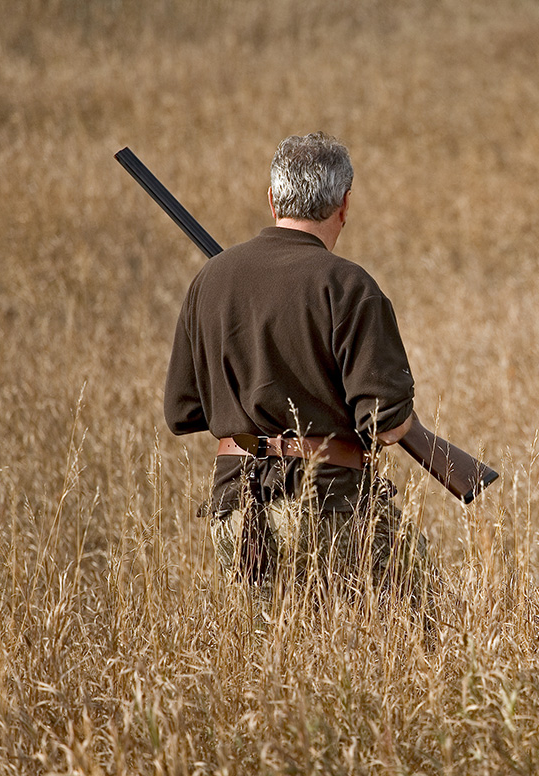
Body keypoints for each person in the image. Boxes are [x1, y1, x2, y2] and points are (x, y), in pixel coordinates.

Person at [163, 132, 432, 613]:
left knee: (272, 665)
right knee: (427, 627)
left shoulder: (210, 280)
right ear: (344, 205)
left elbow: (182, 412)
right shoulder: (349, 285)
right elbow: (385, 421)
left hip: (238, 513)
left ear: (272, 199)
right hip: (330, 504)